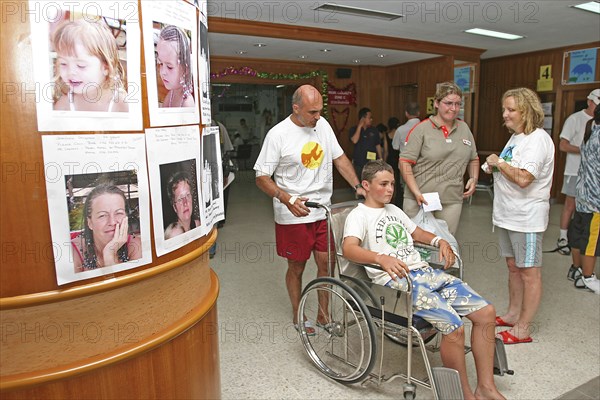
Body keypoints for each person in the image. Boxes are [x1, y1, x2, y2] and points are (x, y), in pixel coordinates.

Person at [342, 160, 505, 400]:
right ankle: (463, 395)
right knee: (453, 328)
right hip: (398, 282)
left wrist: (440, 241)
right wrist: (380, 258)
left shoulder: (394, 211)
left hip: (425, 273)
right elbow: (348, 249)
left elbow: (417, 234)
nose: (390, 189)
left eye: (392, 184)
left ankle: (486, 387)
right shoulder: (359, 215)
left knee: (486, 313)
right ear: (366, 185)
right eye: (383, 184)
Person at [254, 84, 365, 334]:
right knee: (297, 266)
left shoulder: (322, 125)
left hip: (322, 211)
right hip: (293, 214)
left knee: (327, 264)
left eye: (320, 111)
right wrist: (286, 198)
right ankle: (297, 313)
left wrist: (358, 185)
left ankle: (324, 315)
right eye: (312, 112)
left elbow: (339, 158)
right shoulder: (278, 134)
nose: (318, 117)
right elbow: (261, 176)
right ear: (296, 108)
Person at [483, 88, 554, 344]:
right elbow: (510, 169)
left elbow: (524, 178)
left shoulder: (538, 140)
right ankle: (513, 314)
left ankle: (523, 329)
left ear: (527, 110)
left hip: (527, 217)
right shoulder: (516, 138)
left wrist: (499, 163)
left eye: (511, 109)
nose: (505, 114)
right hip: (507, 215)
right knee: (513, 267)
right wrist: (495, 165)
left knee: (529, 272)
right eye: (504, 109)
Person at [399, 83, 478, 236]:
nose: (453, 108)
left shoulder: (464, 129)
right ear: (436, 103)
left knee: (446, 244)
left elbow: (473, 158)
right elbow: (404, 163)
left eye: (457, 104)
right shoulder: (421, 129)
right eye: (448, 103)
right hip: (419, 199)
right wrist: (416, 192)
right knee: (418, 247)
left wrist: (474, 178)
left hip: (451, 199)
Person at [555, 89, 599, 255]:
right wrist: (585, 150)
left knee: (589, 210)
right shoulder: (575, 119)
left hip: (594, 175)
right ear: (589, 101)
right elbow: (562, 145)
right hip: (575, 171)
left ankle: (583, 240)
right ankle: (563, 237)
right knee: (570, 204)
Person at [52, 19, 128, 112]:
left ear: (106, 67)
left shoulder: (122, 103)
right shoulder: (64, 105)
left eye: (81, 65)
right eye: (63, 63)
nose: (70, 72)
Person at [71, 183, 142, 272]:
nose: (112, 222)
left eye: (119, 213)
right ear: (90, 223)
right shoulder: (73, 252)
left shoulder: (135, 246)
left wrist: (109, 255)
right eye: (102, 216)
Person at [568, 103, 600, 294]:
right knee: (591, 240)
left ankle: (576, 269)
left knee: (579, 234)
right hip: (596, 199)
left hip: (582, 195)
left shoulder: (592, 130)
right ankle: (588, 278)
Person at [156, 25, 194, 108]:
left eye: (169, 67)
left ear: (185, 69)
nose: (163, 72)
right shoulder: (171, 94)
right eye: (161, 63)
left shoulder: (187, 103)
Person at [164, 171, 201, 239]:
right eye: (180, 199)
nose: (185, 203)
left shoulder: (198, 225)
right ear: (174, 207)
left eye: (187, 195)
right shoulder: (174, 234)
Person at [349, 107, 383, 179]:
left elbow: (378, 145)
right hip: (359, 162)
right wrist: (359, 126)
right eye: (369, 118)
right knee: (358, 182)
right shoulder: (353, 129)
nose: (371, 120)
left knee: (371, 182)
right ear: (363, 118)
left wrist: (381, 158)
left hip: (372, 162)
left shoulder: (374, 130)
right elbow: (354, 140)